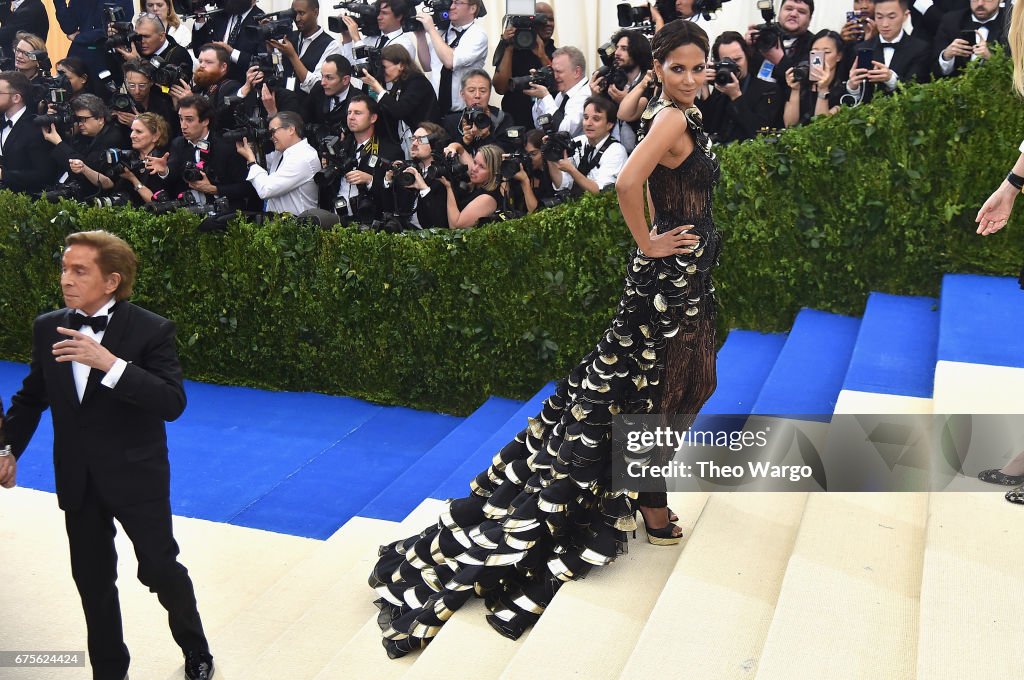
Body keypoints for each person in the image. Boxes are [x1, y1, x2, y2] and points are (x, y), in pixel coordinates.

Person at [369, 19, 712, 656]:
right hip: (671, 275)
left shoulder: (667, 108)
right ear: (661, 69)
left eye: (700, 67)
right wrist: (647, 241)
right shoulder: (672, 120)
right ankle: (653, 507)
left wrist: (650, 85)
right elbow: (629, 184)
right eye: (680, 68)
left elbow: (638, 120)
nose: (692, 79)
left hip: (676, 275)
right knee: (665, 392)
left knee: (647, 388)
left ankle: (649, 500)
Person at [0, 230, 215, 680]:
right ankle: (109, 671)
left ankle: (196, 648)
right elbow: (30, 397)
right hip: (78, 479)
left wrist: (110, 364)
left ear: (112, 280)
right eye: (64, 268)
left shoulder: (151, 329)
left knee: (160, 569)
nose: (66, 279)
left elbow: (171, 403)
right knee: (93, 584)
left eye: (80, 270)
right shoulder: (48, 326)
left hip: (137, 477)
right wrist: (7, 448)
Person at [699, 31, 782, 142]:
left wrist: (736, 96)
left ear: (747, 56)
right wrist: (704, 87)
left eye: (737, 60)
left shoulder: (768, 90)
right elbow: (708, 126)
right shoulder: (720, 86)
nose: (732, 66)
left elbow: (759, 133)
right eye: (726, 61)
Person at [358, 44, 440, 155]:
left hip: (426, 142)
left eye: (384, 67)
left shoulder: (417, 81)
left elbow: (400, 111)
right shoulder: (399, 84)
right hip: (406, 142)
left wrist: (377, 87)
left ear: (401, 65)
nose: (382, 72)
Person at [846, 0, 929, 105]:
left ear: (905, 16)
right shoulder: (861, 49)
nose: (885, 24)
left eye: (891, 17)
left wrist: (891, 79)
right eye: (879, 17)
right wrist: (853, 87)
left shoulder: (920, 49)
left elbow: (919, 91)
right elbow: (853, 101)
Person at [42, 93, 127, 196]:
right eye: (77, 119)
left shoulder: (113, 137)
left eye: (84, 119)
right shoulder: (84, 134)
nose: (80, 124)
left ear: (100, 119)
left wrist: (58, 142)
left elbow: (87, 166)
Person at [236, 110, 320, 213]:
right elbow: (262, 164)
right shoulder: (282, 153)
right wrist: (252, 146)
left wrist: (252, 162)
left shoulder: (304, 156)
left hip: (298, 225)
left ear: (291, 129)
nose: (271, 137)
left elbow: (266, 190)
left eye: (273, 131)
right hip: (279, 224)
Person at [416, 0, 489, 117]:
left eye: (457, 3)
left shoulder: (477, 34)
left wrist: (431, 30)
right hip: (435, 110)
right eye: (451, 2)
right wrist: (420, 36)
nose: (451, 7)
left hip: (462, 113)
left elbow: (450, 62)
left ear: (472, 8)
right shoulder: (441, 33)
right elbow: (427, 65)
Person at [546, 95, 628, 196]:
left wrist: (572, 170)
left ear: (609, 125)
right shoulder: (578, 141)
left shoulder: (616, 151)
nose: (588, 123)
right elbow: (563, 184)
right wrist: (549, 154)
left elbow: (600, 192)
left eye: (596, 119)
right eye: (586, 118)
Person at [491, 1, 555, 130]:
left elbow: (558, 85)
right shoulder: (512, 51)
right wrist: (508, 47)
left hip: (546, 123)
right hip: (515, 121)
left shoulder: (557, 54)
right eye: (542, 19)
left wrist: (542, 55)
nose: (547, 23)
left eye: (551, 19)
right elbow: (500, 88)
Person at [589, 29, 653, 152]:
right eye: (617, 48)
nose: (617, 53)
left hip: (639, 153)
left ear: (637, 52)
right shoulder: (612, 79)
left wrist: (624, 100)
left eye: (624, 49)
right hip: (610, 153)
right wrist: (596, 97)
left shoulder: (648, 81)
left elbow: (635, 115)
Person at [267, 0, 343, 99]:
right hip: (285, 106)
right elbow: (279, 71)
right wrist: (271, 50)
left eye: (302, 13)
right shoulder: (289, 38)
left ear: (316, 12)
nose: (297, 19)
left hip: (309, 109)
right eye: (294, 14)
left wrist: (292, 56)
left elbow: (317, 86)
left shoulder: (331, 45)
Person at [0, 70, 56, 194]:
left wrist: (4, 175)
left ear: (16, 98)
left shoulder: (35, 128)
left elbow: (44, 174)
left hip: (22, 202)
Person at [54, 0, 135, 79]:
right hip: (81, 54)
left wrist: (81, 37)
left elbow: (119, 28)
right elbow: (69, 28)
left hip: (107, 55)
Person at [441, 69, 512, 156]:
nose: (477, 95)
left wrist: (486, 137)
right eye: (471, 90)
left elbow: (505, 153)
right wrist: (465, 142)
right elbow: (445, 155)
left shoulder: (502, 119)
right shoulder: (451, 122)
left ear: (489, 94)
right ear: (462, 94)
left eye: (483, 91)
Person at [783, 30, 847, 127]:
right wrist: (795, 90)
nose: (819, 57)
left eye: (826, 52)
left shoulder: (843, 90)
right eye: (815, 52)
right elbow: (789, 124)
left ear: (839, 56)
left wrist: (823, 89)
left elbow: (821, 127)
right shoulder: (802, 82)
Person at [190, 0, 266, 81]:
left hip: (242, 84)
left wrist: (232, 52)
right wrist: (200, 20)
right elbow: (199, 51)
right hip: (213, 83)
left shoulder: (261, 22)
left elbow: (261, 63)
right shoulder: (220, 15)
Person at [933, 0, 1005, 79]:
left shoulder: (1012, 23)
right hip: (957, 88)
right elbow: (934, 72)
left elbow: (1013, 72)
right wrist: (946, 57)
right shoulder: (951, 21)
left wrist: (991, 59)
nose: (980, 3)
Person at [528, 46, 590, 137]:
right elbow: (540, 126)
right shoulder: (561, 95)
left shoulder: (586, 96)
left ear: (577, 72)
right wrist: (540, 96)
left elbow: (564, 133)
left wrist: (546, 97)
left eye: (559, 71)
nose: (554, 76)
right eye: (553, 71)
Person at [439, 142, 501, 228]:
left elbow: (455, 226)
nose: (474, 169)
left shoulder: (487, 198)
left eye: (482, 167)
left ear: (493, 172)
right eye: (475, 162)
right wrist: (451, 148)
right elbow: (461, 149)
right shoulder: (478, 179)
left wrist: (449, 187)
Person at [115, 112, 172, 205]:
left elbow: (157, 204)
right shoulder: (130, 157)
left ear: (155, 136)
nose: (132, 135)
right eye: (132, 130)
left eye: (139, 131)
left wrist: (132, 178)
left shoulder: (162, 161)